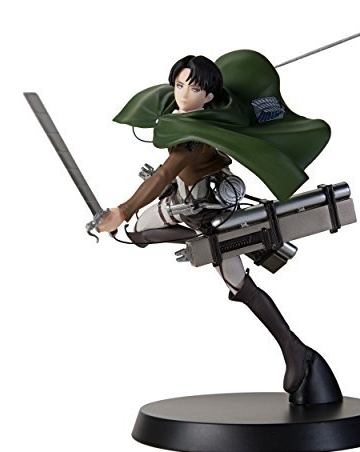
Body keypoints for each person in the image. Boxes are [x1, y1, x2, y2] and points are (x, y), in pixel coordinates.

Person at [97, 53, 342, 405]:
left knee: (238, 284)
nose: (184, 94)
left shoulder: (194, 136)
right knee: (137, 234)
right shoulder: (182, 113)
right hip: (181, 201)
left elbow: (164, 173)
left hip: (207, 211)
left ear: (209, 96)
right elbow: (166, 178)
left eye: (194, 89)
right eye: (179, 85)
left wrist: (122, 210)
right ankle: (193, 242)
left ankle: (296, 351)